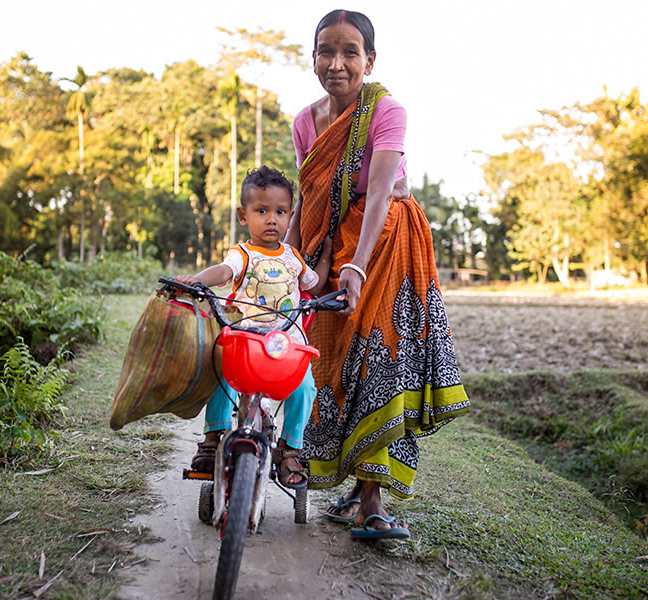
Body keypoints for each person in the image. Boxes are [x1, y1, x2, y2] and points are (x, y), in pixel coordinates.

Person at [284, 9, 470, 539]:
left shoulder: (387, 111)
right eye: (326, 51)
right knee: (335, 364)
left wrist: (357, 268)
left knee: (378, 359)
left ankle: (371, 499)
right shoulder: (304, 121)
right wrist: (291, 261)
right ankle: (356, 491)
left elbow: (384, 190)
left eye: (349, 52)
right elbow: (310, 197)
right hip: (332, 247)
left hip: (387, 245)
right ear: (314, 56)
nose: (336, 63)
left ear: (370, 60)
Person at [175, 165, 332, 488]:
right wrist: (197, 280)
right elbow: (222, 271)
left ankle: (291, 449)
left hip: (286, 345)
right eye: (262, 210)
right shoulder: (242, 254)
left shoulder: (294, 258)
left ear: (290, 217)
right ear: (243, 216)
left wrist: (328, 253)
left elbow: (314, 286)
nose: (271, 219)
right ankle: (213, 436)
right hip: (246, 342)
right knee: (221, 367)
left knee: (304, 386)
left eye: (280, 211)